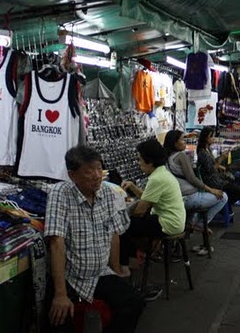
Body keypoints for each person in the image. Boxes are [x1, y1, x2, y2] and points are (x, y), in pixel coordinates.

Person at [44, 145, 144, 333]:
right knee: (57, 319)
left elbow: (114, 233)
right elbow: (57, 243)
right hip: (71, 277)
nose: (97, 175)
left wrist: (115, 270)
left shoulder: (107, 192)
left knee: (133, 303)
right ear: (72, 175)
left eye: (99, 169)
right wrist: (60, 294)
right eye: (89, 171)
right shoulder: (60, 193)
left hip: (100, 273)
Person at [120, 139, 186, 275]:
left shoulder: (157, 179)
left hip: (168, 223)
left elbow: (140, 211)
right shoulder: (162, 173)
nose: (138, 163)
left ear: (149, 161)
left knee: (121, 226)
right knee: (130, 223)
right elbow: (148, 197)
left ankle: (125, 265)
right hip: (173, 220)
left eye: (140, 160)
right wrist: (133, 187)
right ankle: (139, 255)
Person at [163, 130, 228, 253]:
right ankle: (200, 224)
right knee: (223, 196)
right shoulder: (181, 156)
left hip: (178, 198)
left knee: (192, 214)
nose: (185, 143)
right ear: (175, 143)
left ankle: (182, 240)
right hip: (189, 197)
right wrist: (210, 189)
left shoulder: (167, 158)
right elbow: (192, 178)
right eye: (182, 140)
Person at [196, 127, 240, 206]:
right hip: (212, 180)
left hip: (216, 176)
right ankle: (224, 205)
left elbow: (213, 165)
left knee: (239, 176)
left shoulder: (207, 150)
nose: (214, 138)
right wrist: (221, 159)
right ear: (205, 138)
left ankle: (226, 204)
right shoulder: (203, 153)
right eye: (211, 137)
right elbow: (211, 170)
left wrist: (225, 168)